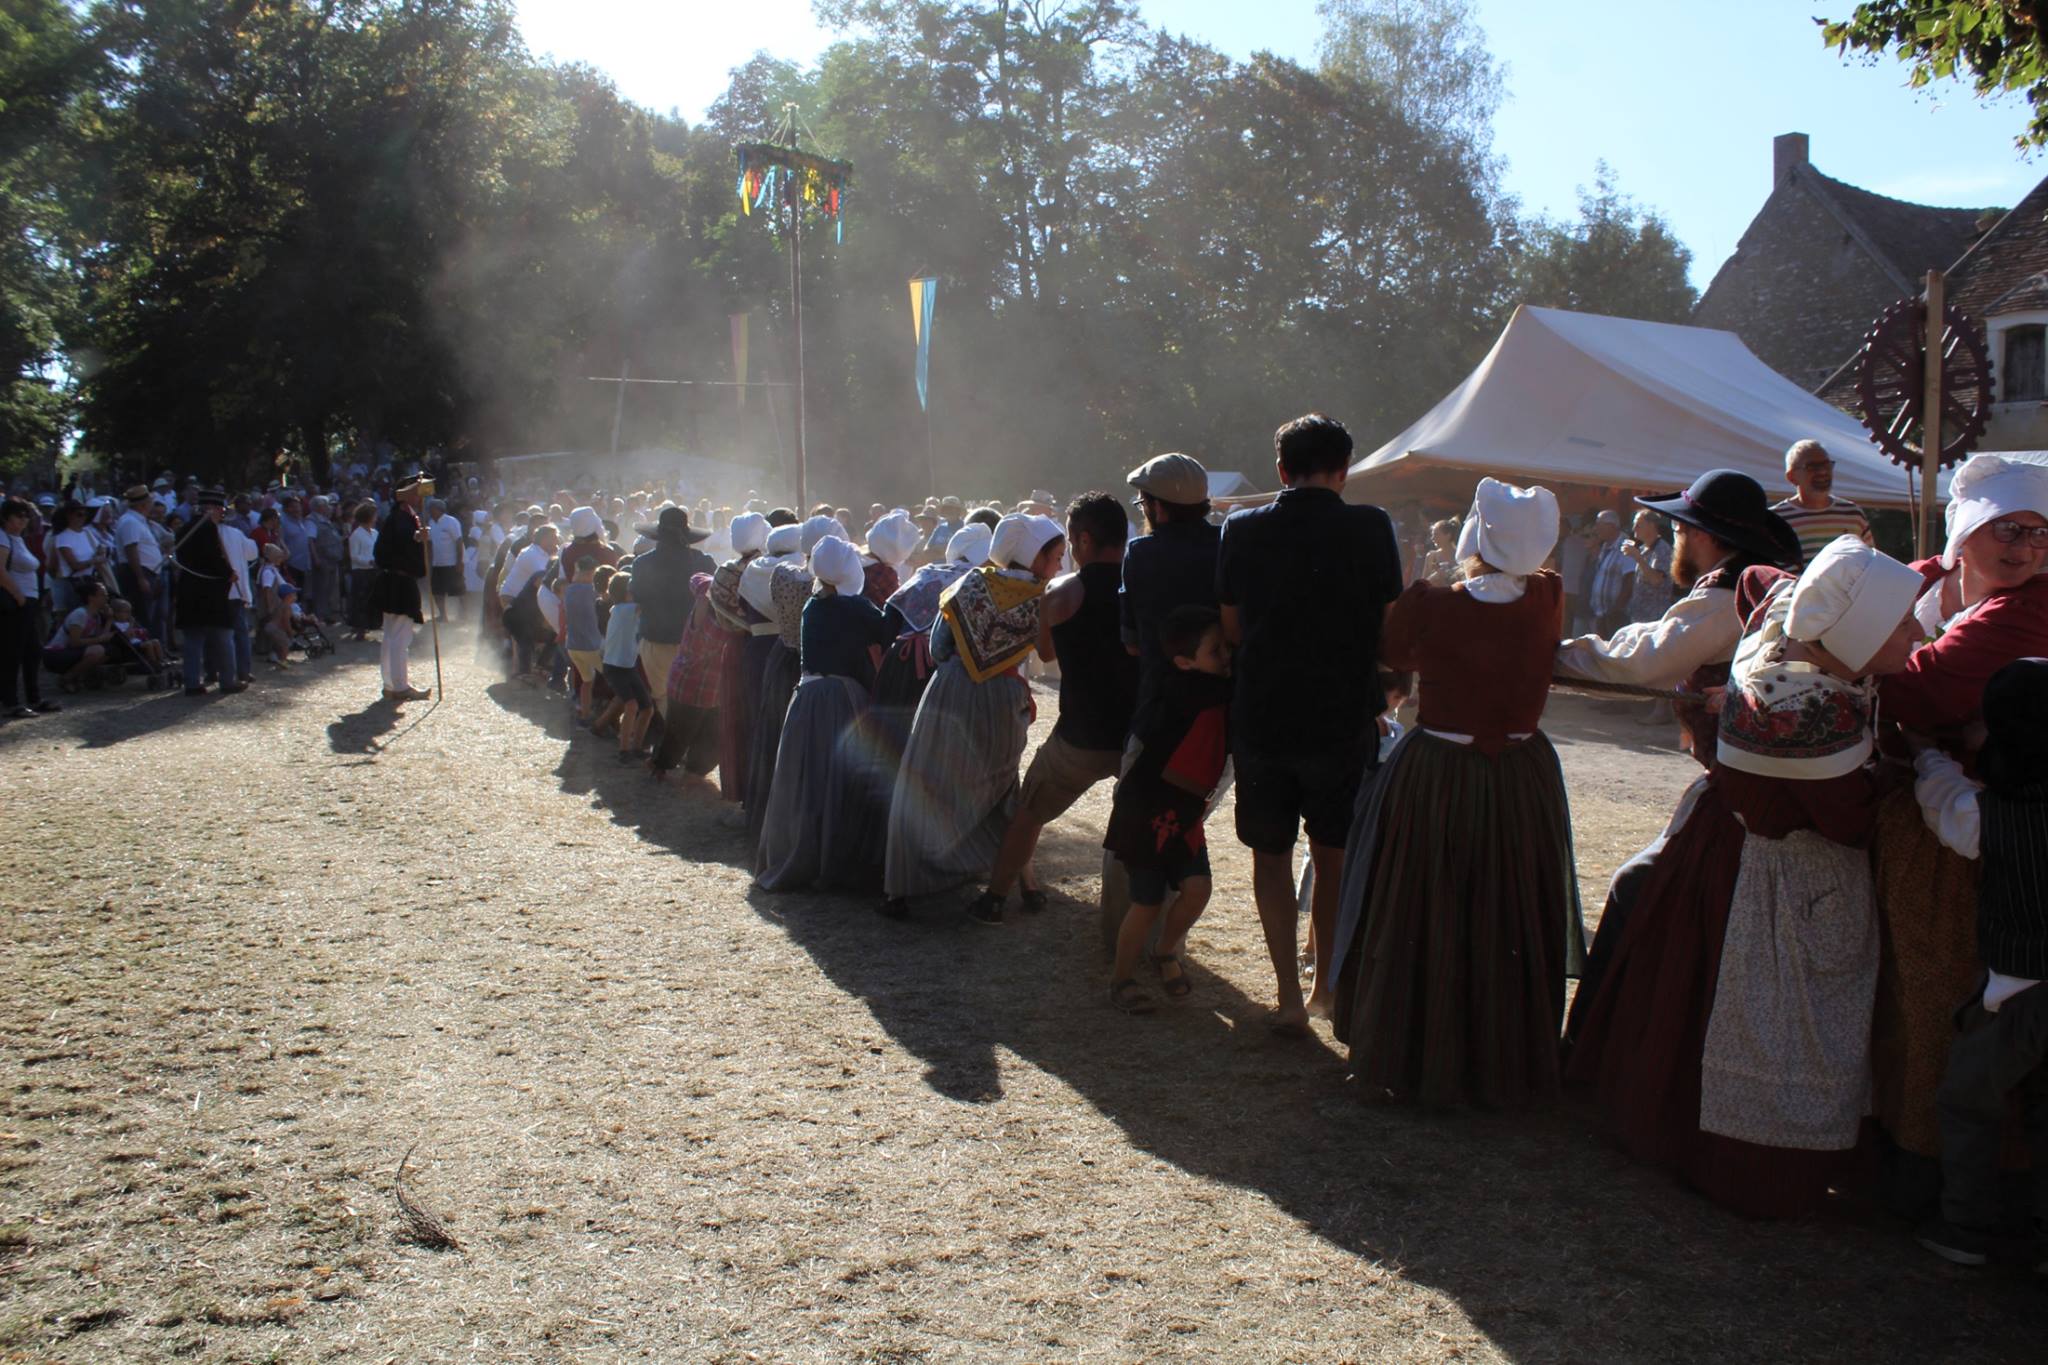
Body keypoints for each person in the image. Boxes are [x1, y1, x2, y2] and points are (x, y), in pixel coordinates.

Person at [1570, 537, 1925, 1217]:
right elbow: (1851, 819)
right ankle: (1758, 1163)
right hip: (1785, 875)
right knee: (1770, 1020)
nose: (1918, 633)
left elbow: (1764, 577)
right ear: (1858, 631)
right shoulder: (1801, 709)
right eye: (1902, 622)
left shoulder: (1784, 626)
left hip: (1730, 847)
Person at [1328, 478, 1578, 1106]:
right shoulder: (1548, 594)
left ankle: (1415, 1050)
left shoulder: (1433, 603)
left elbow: (1393, 653)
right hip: (1522, 773)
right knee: (1507, 903)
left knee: (1424, 903)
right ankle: (1502, 1057)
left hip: (1439, 768)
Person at [1556, 470, 1801, 1044]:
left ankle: (1617, 1051)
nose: (1676, 537)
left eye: (1681, 528)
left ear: (1705, 536)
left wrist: (1552, 655)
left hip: (1743, 796)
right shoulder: (1745, 586)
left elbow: (1644, 661)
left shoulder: (1726, 595)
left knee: (1640, 890)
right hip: (1744, 784)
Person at [1868, 452, 2048, 1213]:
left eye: (2042, 533)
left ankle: (1963, 1195)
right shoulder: (1931, 580)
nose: (2027, 546)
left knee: (1962, 1016)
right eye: (2010, 527)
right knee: (1916, 1000)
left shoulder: (2032, 608)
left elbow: (1922, 687)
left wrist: (1870, 646)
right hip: (1932, 831)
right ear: (1968, 529)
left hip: (1992, 854)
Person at [1216, 413, 1403, 1035]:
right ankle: (1326, 985)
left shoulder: (1242, 528)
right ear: (1344, 470)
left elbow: (1233, 626)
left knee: (1270, 855)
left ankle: (1287, 997)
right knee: (1333, 856)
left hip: (1263, 713)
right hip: (1340, 714)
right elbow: (1389, 628)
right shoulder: (1370, 526)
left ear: (1280, 469)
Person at [1909, 657, 2048, 1269]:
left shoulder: (1991, 817)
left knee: (1969, 1100)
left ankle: (1965, 1225)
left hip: (2015, 994)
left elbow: (1944, 803)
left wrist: (1924, 753)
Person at [882, 513, 1066, 919]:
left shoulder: (969, 583)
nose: (1059, 563)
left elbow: (939, 647)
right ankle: (1026, 885)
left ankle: (902, 889)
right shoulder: (1047, 597)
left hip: (949, 691)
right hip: (1002, 699)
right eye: (1055, 555)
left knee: (926, 782)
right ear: (1033, 555)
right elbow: (1048, 655)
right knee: (1002, 788)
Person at [969, 493, 1138, 922]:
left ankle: (994, 898)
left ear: (1083, 539)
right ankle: (1137, 916)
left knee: (1029, 814)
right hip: (1136, 733)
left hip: (1079, 734)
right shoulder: (1143, 585)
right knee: (1140, 827)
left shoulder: (1064, 593)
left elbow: (1045, 654)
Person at [1104, 605, 1232, 1015]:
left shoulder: (1208, 684)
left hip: (1184, 813)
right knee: (1147, 902)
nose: (1227, 658)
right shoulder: (1189, 690)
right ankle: (1121, 978)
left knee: (1198, 889)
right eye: (1217, 651)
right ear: (1184, 662)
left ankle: (1164, 950)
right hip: (1148, 812)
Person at [757, 536, 901, 890]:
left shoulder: (812, 606)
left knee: (806, 779)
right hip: (841, 697)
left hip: (805, 697)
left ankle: (801, 856)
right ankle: (834, 862)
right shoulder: (858, 609)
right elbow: (889, 632)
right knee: (838, 782)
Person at [744, 515, 840, 847]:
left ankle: (764, 819)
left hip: (780, 659)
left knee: (773, 739)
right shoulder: (821, 586)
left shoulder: (783, 576)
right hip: (807, 667)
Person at [630, 507, 715, 723]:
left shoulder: (642, 563)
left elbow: (637, 596)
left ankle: (673, 744)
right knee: (693, 699)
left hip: (655, 640)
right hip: (695, 643)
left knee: (664, 699)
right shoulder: (702, 562)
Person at [708, 512, 771, 805]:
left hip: (733, 649)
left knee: (734, 720)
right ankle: (762, 793)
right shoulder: (766, 571)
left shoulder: (724, 572)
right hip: (762, 648)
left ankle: (737, 792)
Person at [172, 489, 241, 697]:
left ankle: (192, 682)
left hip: (189, 590)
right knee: (224, 636)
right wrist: (229, 573)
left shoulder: (184, 529)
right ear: (211, 509)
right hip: (210, 593)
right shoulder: (208, 529)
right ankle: (228, 680)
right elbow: (215, 557)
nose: (222, 514)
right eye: (221, 510)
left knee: (193, 639)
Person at [371, 475, 432, 702]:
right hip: (399, 581)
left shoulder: (401, 517)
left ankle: (391, 683)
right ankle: (399, 686)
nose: (420, 496)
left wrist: (416, 537)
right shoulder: (401, 519)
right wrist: (416, 538)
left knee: (391, 635)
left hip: (394, 581)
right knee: (399, 637)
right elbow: (400, 543)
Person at [1771, 439, 1872, 566]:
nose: (1822, 471)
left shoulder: (1853, 514)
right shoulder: (1775, 520)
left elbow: (1870, 563)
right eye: (1812, 467)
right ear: (1792, 477)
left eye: (1826, 464)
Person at [0, 497, 53, 718]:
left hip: (28, 601)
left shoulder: (17, 539)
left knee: (32, 651)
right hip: (15, 602)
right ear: (6, 518)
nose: (23, 520)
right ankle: (11, 701)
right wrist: (19, 596)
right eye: (18, 516)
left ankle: (34, 697)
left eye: (25, 516)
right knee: (13, 652)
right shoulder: (3, 538)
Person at [598, 572, 652, 761]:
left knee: (647, 708)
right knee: (631, 705)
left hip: (627, 666)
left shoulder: (621, 609)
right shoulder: (625, 609)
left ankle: (636, 747)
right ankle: (624, 750)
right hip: (614, 666)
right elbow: (648, 604)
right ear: (629, 592)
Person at [498, 522, 559, 680]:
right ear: (544, 539)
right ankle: (519, 671)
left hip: (524, 599)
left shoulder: (543, 553)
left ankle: (532, 667)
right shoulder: (533, 554)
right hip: (512, 596)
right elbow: (544, 581)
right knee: (520, 634)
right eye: (554, 538)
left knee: (530, 633)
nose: (557, 541)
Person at [114, 484, 165, 644]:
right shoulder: (130, 522)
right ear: (143, 504)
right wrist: (140, 577)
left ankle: (156, 649)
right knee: (142, 614)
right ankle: (145, 649)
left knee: (153, 615)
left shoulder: (140, 521)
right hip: (138, 573)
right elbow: (131, 549)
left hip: (150, 572)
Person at [562, 557, 604, 724]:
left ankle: (585, 714)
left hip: (573, 645)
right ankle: (609, 720)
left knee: (587, 681)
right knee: (618, 683)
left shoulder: (569, 590)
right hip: (592, 646)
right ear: (590, 572)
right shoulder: (592, 591)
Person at [1583, 509, 1635, 637]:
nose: (1596, 529)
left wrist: (1616, 609)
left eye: (1599, 524)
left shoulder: (1625, 546)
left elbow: (1630, 579)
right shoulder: (1606, 546)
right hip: (1601, 615)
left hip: (1616, 617)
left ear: (1611, 526)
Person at [426, 497, 464, 622]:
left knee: (458, 591)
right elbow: (430, 543)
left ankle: (464, 614)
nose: (429, 511)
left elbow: (459, 542)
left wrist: (459, 561)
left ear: (439, 510)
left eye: (432, 509)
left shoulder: (451, 522)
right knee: (437, 591)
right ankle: (443, 615)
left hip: (451, 563)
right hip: (438, 563)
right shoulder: (430, 523)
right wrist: (429, 562)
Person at [345, 502, 379, 640]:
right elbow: (354, 555)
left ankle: (371, 624)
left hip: (373, 570)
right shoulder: (356, 535)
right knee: (360, 600)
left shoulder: (375, 533)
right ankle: (359, 627)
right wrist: (368, 561)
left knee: (372, 600)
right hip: (361, 571)